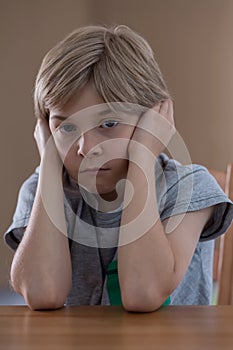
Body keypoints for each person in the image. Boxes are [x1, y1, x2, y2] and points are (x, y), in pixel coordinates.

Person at [4, 25, 233, 312]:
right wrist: (49, 161)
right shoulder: (41, 189)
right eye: (67, 127)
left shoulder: (188, 188)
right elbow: (43, 293)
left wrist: (141, 158)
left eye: (109, 124)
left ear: (153, 119)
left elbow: (143, 293)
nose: (85, 149)